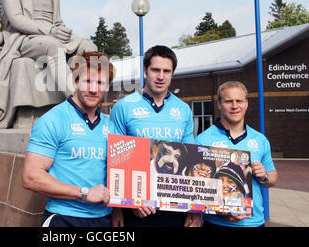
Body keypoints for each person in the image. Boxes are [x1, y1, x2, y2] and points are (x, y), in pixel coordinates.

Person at [0, 0, 96, 128]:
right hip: (24, 39)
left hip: (51, 34)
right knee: (52, 45)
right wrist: (50, 31)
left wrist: (63, 31)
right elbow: (16, 20)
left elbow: (57, 21)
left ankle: (93, 96)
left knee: (89, 47)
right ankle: (80, 104)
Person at [109, 45, 200, 227]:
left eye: (166, 71)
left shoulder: (183, 110)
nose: (161, 76)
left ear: (172, 73)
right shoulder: (123, 107)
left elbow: (190, 159)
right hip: (136, 206)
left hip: (174, 204)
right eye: (155, 70)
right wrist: (119, 206)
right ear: (145, 70)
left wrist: (195, 209)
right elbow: (115, 159)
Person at [22, 51, 114, 227]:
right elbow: (31, 177)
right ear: (75, 82)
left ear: (108, 86)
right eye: (87, 81)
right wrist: (84, 193)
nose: (94, 89)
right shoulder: (53, 120)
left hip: (104, 219)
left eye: (100, 83)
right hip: (64, 219)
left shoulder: (111, 126)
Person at [196, 81, 277, 227]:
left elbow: (272, 179)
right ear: (219, 104)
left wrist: (264, 176)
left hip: (254, 222)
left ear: (246, 104)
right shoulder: (203, 139)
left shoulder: (260, 140)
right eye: (228, 101)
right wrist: (221, 209)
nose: (235, 106)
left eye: (239, 101)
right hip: (215, 222)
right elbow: (196, 185)